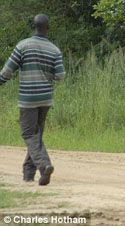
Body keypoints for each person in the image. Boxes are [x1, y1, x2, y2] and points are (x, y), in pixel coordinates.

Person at [0, 14, 65, 186]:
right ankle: (29, 174)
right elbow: (60, 76)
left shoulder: (23, 45)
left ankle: (44, 165)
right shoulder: (54, 49)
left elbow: (7, 71)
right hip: (45, 99)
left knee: (29, 134)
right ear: (47, 28)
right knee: (36, 136)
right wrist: (46, 75)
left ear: (34, 27)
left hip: (28, 98)